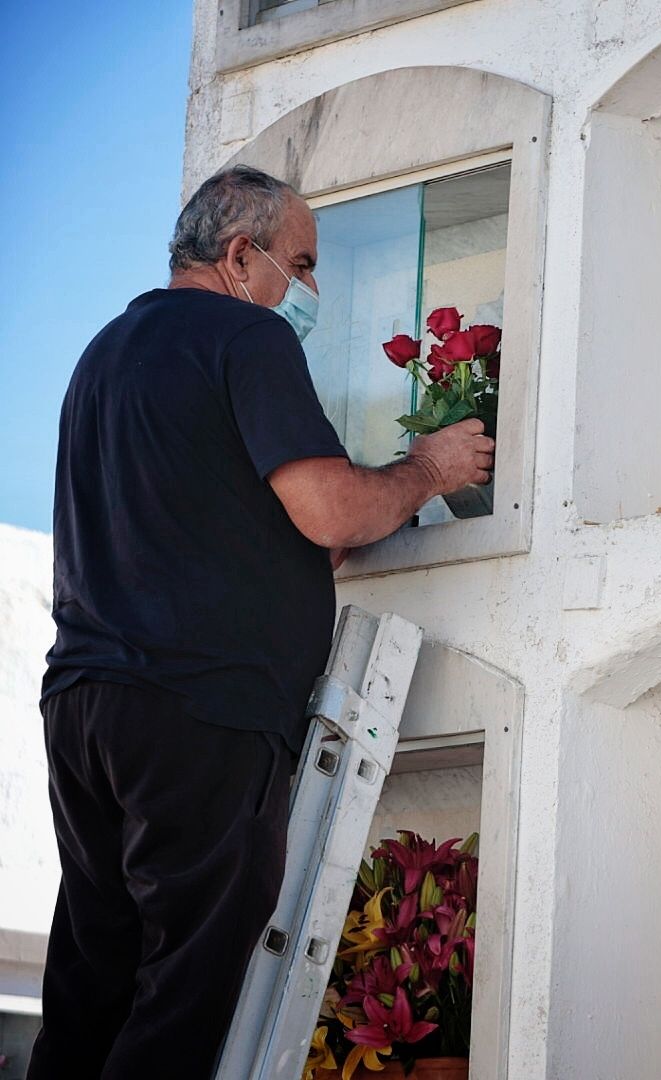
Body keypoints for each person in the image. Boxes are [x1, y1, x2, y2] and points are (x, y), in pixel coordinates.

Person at [31, 164, 492, 1079]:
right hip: (200, 711)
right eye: (306, 263)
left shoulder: (105, 355)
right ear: (242, 257)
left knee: (93, 981)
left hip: (85, 705)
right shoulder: (246, 336)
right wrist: (428, 471)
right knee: (185, 993)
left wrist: (299, 555)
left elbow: (203, 522)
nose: (312, 290)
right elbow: (328, 507)